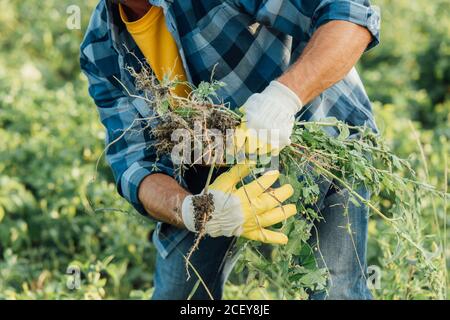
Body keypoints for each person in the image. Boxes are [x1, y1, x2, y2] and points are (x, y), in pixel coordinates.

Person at [80, 0, 381, 300]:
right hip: (208, 170)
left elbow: (350, 15)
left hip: (317, 134)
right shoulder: (101, 48)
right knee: (179, 294)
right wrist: (191, 211)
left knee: (336, 291)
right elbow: (135, 164)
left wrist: (283, 98)